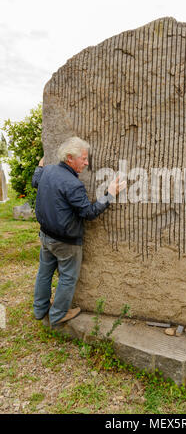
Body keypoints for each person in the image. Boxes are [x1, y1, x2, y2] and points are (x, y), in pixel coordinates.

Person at [32, 136, 125, 327]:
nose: (87, 162)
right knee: (67, 277)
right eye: (83, 158)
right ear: (69, 158)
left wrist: (39, 166)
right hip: (66, 242)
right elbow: (89, 213)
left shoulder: (47, 170)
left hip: (45, 235)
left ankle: (39, 309)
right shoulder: (73, 184)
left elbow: (35, 181)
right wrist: (109, 195)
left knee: (44, 273)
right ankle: (58, 315)